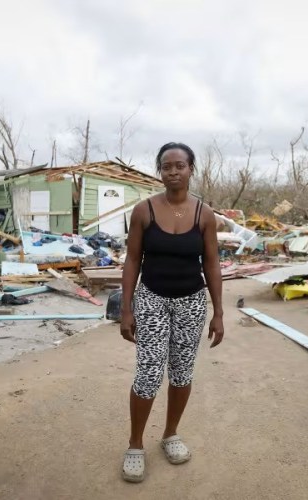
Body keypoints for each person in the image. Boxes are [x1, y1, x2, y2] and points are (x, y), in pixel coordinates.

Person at [119, 142, 224, 483]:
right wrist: (126, 308)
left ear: (192, 169)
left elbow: (211, 262)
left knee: (181, 372)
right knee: (148, 372)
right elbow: (133, 259)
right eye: (167, 166)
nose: (174, 171)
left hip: (192, 301)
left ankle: (170, 435)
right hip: (151, 298)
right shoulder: (144, 211)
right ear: (160, 172)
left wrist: (218, 312)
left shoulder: (204, 215)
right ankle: (135, 444)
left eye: (180, 165)